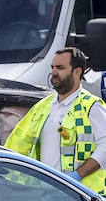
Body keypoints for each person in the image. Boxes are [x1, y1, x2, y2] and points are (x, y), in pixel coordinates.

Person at [7, 48, 106, 192]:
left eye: (60, 68)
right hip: (47, 195)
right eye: (52, 67)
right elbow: (18, 144)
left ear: (77, 72)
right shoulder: (42, 107)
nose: (53, 72)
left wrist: (76, 176)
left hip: (83, 196)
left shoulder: (91, 106)